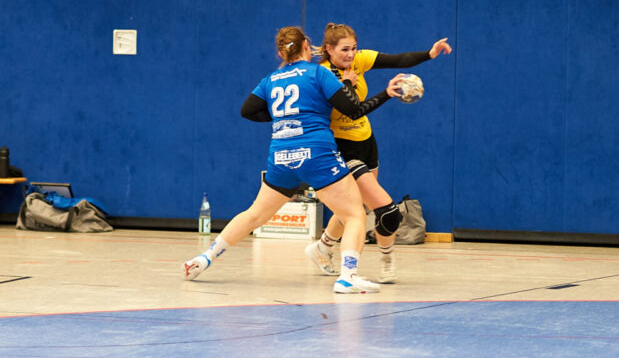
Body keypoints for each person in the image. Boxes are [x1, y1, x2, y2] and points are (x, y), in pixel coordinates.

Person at [182, 26, 407, 294]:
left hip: (281, 155)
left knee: (254, 214)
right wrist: (386, 93)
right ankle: (348, 276)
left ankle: (204, 258)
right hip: (316, 154)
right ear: (305, 47)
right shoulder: (318, 72)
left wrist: (282, 117)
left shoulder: (271, 79)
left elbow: (248, 110)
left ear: (281, 52)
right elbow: (354, 110)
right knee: (355, 213)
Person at [304, 22, 452, 284]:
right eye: (345, 50)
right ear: (328, 49)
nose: (351, 55)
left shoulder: (359, 61)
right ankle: (386, 258)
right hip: (341, 147)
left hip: (366, 140)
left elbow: (397, 60)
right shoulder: (323, 75)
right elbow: (353, 110)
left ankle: (322, 247)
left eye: (354, 48)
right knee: (385, 211)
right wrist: (378, 91)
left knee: (354, 206)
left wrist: (429, 54)